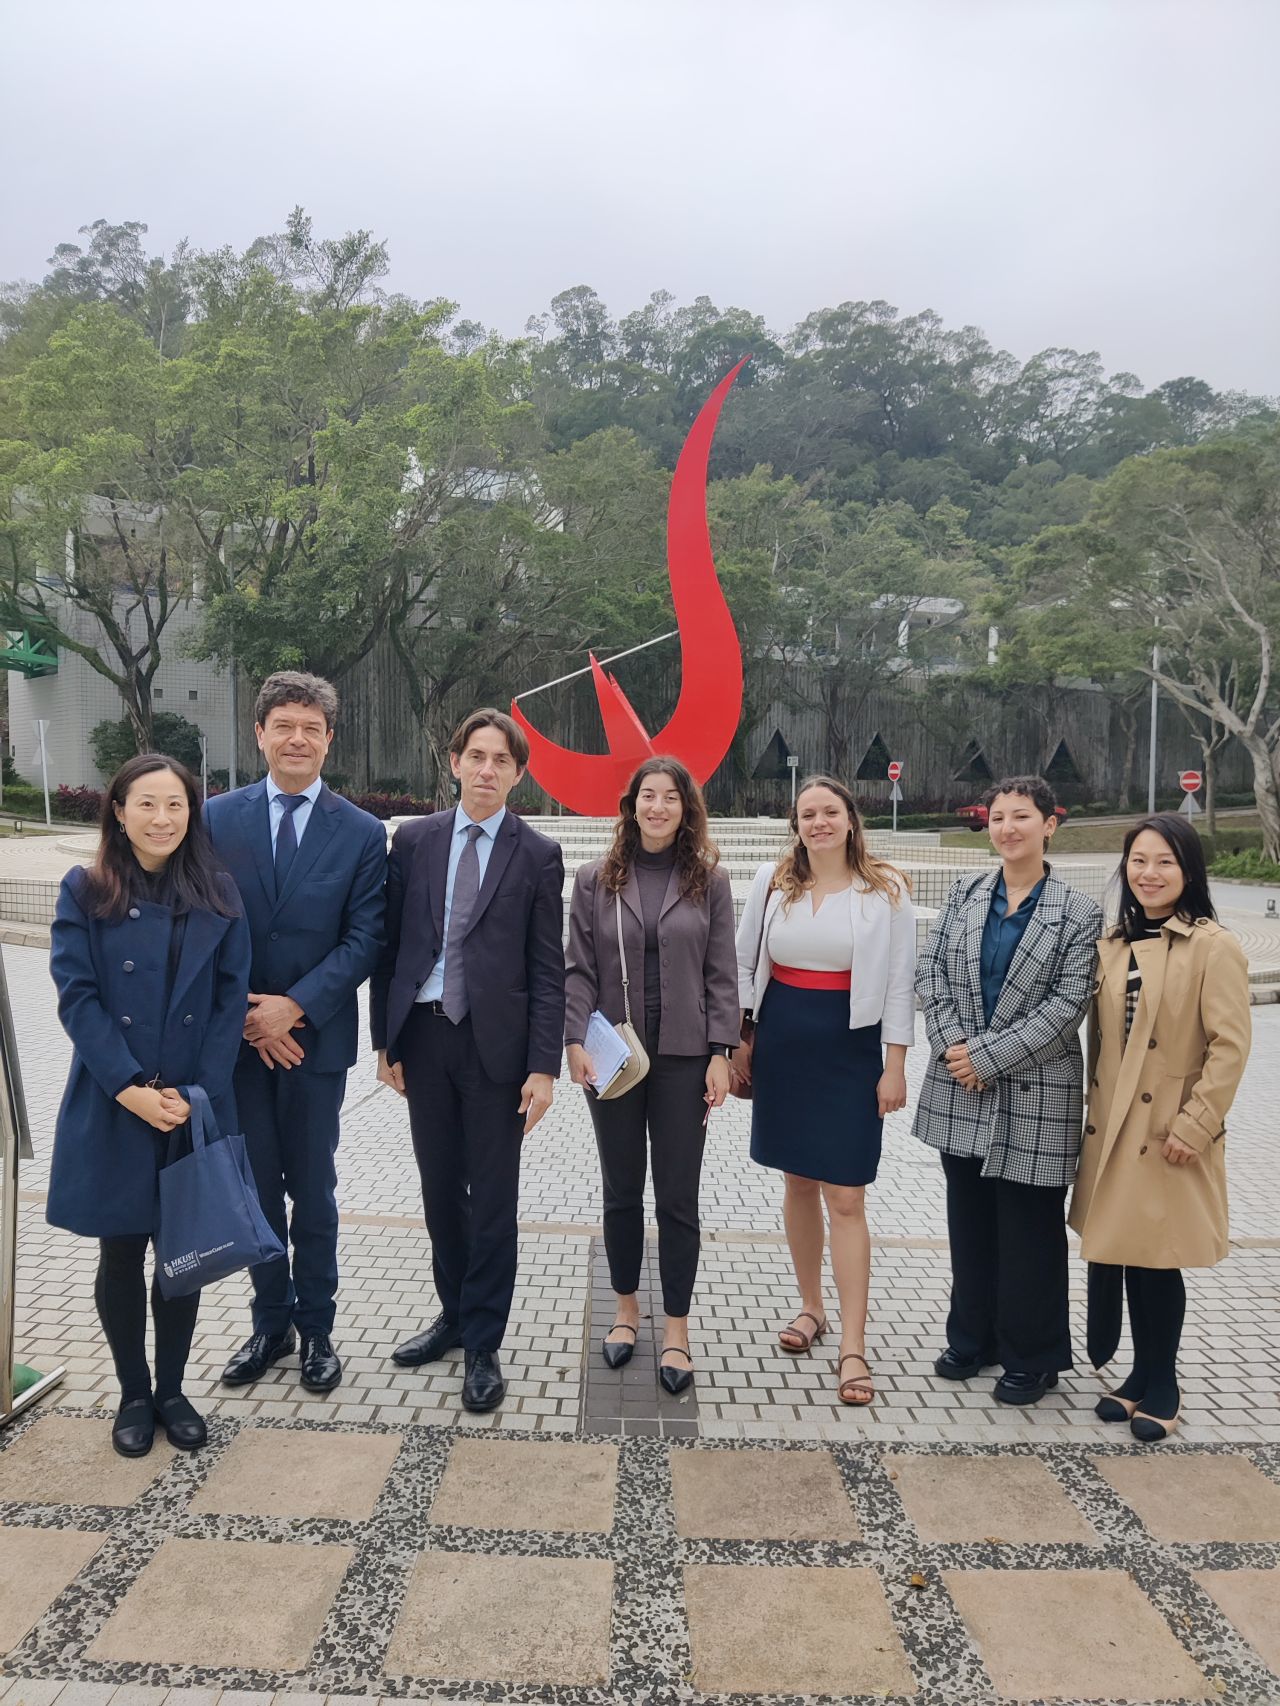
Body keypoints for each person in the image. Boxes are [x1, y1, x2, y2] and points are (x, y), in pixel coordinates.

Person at [47, 754, 251, 1457]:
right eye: (147, 804)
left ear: (192, 813)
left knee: (184, 1253)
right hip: (116, 1098)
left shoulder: (219, 891)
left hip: (188, 1102)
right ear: (120, 811)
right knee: (121, 1251)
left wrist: (200, 1095)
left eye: (176, 805)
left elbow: (230, 1000)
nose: (162, 818)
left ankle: (172, 1389)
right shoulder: (86, 889)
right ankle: (133, 1393)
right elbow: (78, 997)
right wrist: (130, 1087)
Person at [371, 708, 565, 1413]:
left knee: (493, 1203)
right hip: (423, 1038)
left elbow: (549, 969)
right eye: (475, 756)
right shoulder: (414, 841)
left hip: (498, 1052)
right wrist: (384, 1040)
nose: (487, 770)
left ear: (519, 774)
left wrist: (543, 1067)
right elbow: (389, 949)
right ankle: (453, 1316)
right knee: (438, 1191)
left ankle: (484, 1341)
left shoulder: (537, 854)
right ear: (453, 762)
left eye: (501, 761)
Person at [205, 671, 387, 1395]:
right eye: (284, 724)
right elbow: (204, 926)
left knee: (313, 1190)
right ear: (260, 734)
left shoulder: (363, 832)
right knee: (253, 1190)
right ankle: (269, 1323)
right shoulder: (216, 819)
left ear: (329, 739)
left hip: (315, 1048)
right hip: (239, 1048)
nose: (297, 739)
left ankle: (317, 1331)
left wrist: (295, 1008)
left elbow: (366, 936)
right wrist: (252, 1018)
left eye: (312, 727)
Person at [914, 774, 1103, 1406]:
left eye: (1021, 817)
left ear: (1050, 824)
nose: (1007, 829)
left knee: (1030, 1231)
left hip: (1034, 1093)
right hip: (960, 1086)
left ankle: (1032, 1355)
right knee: (968, 1223)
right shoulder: (965, 894)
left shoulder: (1078, 912)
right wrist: (952, 1047)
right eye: (998, 817)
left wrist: (989, 1058)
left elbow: (1066, 1005)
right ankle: (973, 1338)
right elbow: (931, 972)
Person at [732, 775, 915, 1407]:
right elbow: (744, 962)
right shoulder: (773, 882)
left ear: (850, 819)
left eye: (830, 811)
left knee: (846, 1194)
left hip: (850, 1048)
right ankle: (811, 1307)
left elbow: (898, 984)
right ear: (796, 822)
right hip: (784, 1043)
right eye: (808, 814)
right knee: (798, 1182)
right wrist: (741, 1039)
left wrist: (895, 1066)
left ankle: (854, 1345)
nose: (819, 823)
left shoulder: (884, 891)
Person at [1070, 813, 1249, 1442]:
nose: (1149, 874)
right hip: (1114, 1130)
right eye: (1138, 861)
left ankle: (1162, 1380)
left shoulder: (1212, 945)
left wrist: (1195, 1125)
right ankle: (1137, 1379)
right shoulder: (1113, 944)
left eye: (1164, 862)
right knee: (1128, 1253)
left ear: (1188, 870)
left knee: (1157, 1260)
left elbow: (1229, 1047)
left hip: (1168, 1130)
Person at [565, 758, 739, 1393]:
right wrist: (575, 1038)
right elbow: (578, 968)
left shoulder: (708, 881)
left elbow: (724, 971)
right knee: (620, 1189)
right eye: (648, 796)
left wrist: (722, 1051)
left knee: (677, 1196)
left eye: (670, 796)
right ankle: (625, 1312)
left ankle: (676, 1329)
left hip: (686, 1057)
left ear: (685, 808)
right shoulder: (596, 880)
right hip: (614, 1055)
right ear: (631, 804)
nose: (658, 806)